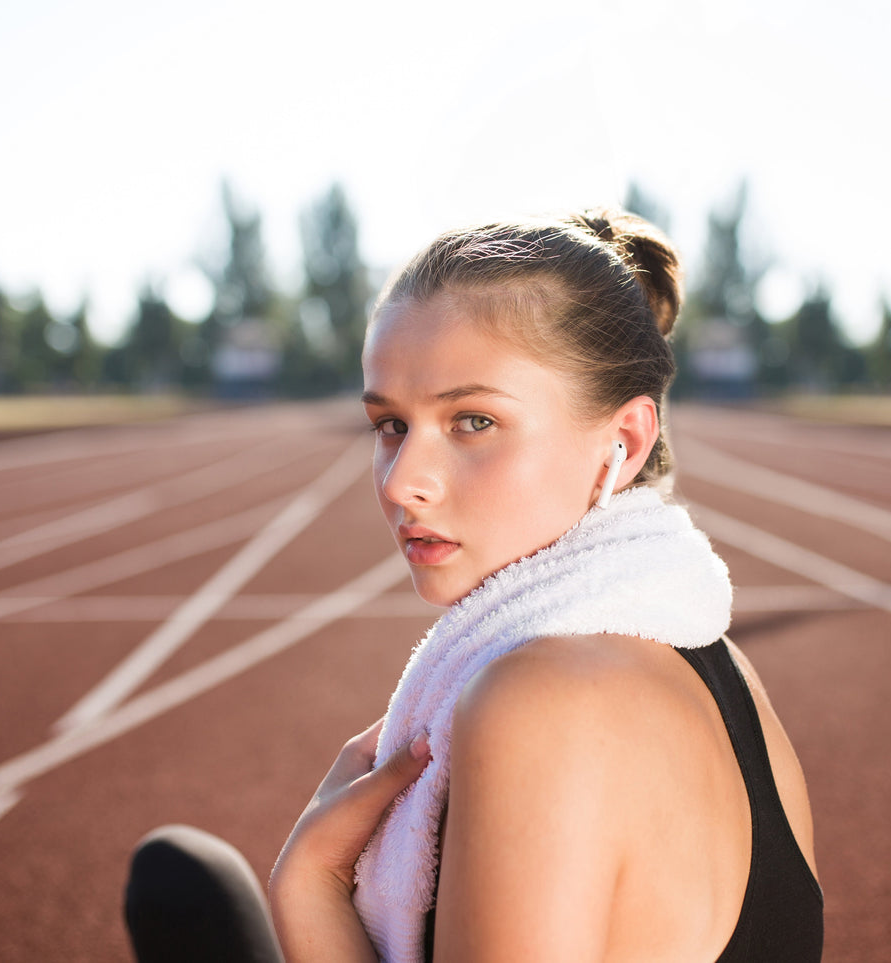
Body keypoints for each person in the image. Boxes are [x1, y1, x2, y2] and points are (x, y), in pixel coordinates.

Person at [125, 208, 822, 962]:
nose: (402, 484)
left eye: (473, 421)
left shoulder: (543, 699)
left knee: (175, 884)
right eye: (389, 424)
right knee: (179, 879)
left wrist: (313, 881)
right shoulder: (727, 677)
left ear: (620, 444)